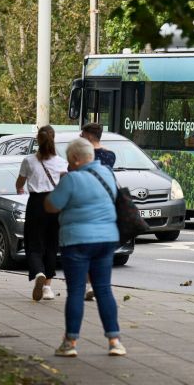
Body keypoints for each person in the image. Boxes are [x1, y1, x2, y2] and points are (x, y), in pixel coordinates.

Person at [44, 137, 125, 357]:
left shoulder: (71, 179)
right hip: (107, 239)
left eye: (69, 160)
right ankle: (114, 341)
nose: (68, 165)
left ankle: (70, 343)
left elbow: (51, 205)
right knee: (104, 289)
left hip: (77, 241)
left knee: (76, 292)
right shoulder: (107, 174)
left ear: (76, 159)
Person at [16, 125, 67, 301]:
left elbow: (19, 183)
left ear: (38, 140)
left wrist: (20, 189)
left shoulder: (29, 161)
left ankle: (38, 273)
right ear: (53, 140)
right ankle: (47, 288)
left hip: (36, 204)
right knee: (52, 244)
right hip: (55, 204)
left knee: (34, 243)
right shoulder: (61, 162)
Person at [79, 122, 115, 301]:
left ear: (89, 136)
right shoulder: (110, 155)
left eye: (82, 134)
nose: (80, 137)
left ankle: (87, 285)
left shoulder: (84, 157)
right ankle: (98, 285)